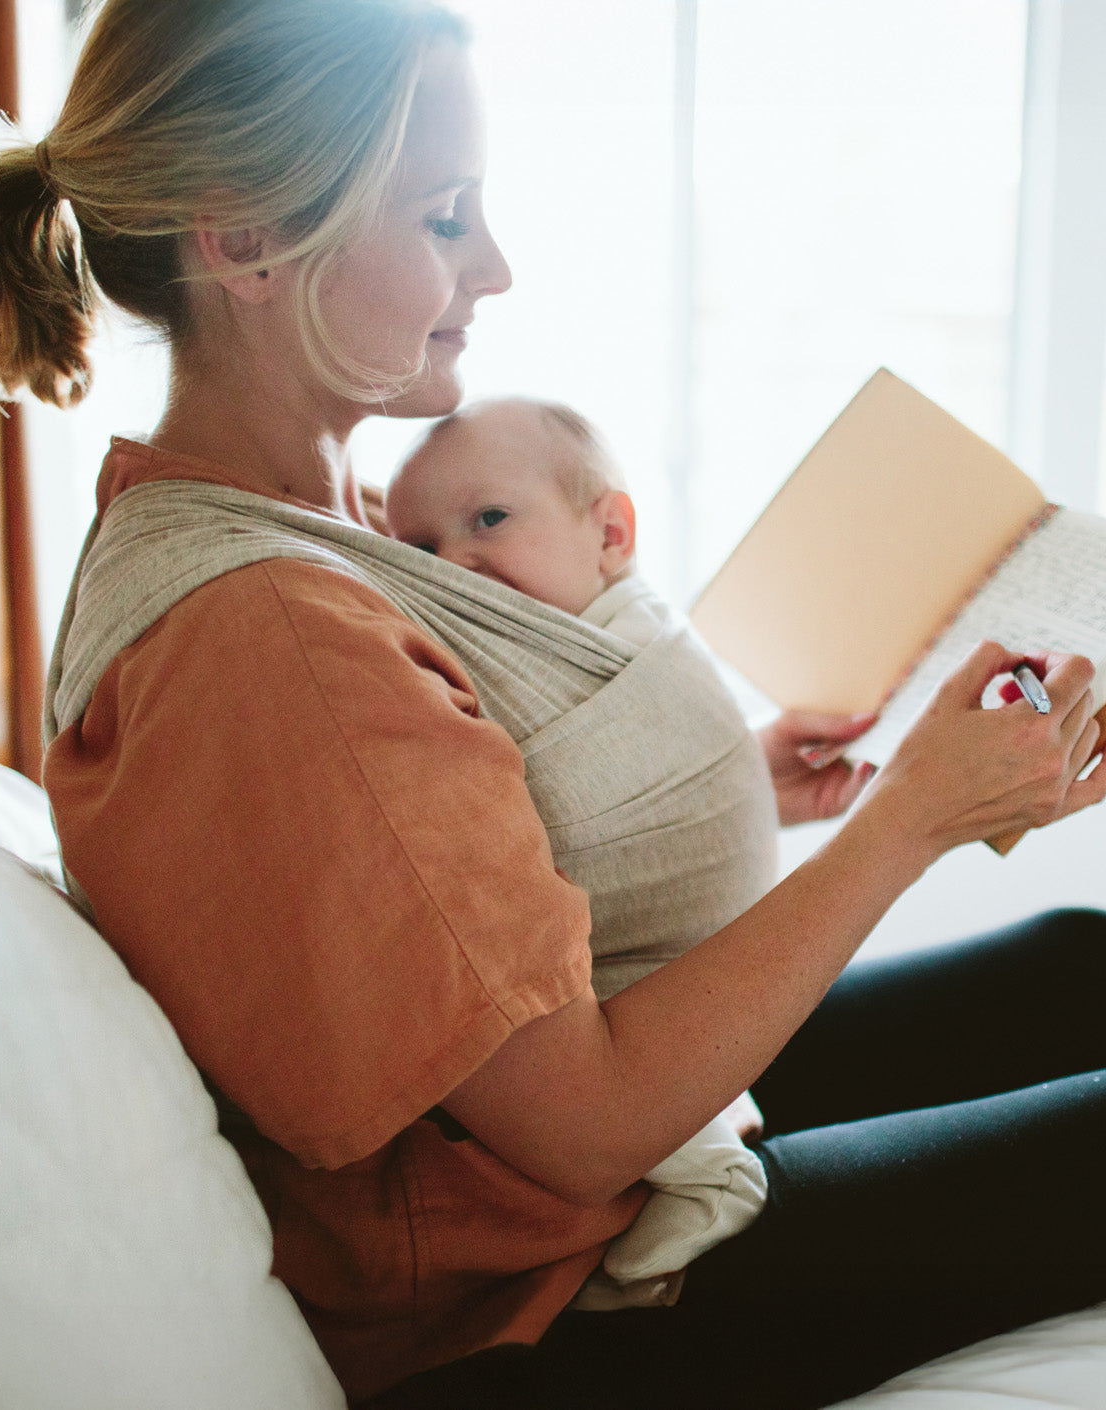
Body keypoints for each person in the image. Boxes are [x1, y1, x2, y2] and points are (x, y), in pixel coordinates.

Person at [0, 2, 1106, 1406]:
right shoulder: (272, 629)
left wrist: (733, 780)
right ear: (240, 239)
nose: (498, 267)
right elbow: (580, 1127)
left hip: (573, 1158)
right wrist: (913, 817)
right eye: (447, 216)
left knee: (1086, 964)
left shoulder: (316, 519)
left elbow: (424, 857)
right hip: (550, 1292)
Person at [387, 395, 838, 1301]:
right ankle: (713, 1170)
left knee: (1089, 949)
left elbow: (606, 774)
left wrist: (727, 775)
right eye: (422, 552)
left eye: (489, 520)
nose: (456, 568)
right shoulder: (488, 669)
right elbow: (538, 818)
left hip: (712, 980)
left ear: (613, 534)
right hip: (632, 1017)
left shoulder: (624, 635)